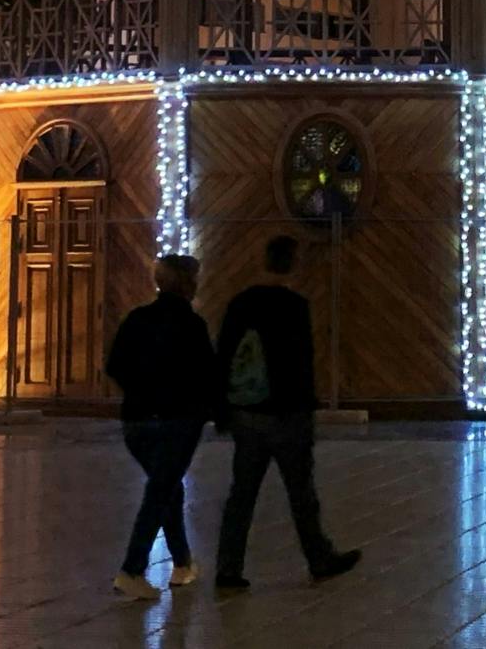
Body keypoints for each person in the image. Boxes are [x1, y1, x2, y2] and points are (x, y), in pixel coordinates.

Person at [213, 235, 361, 590]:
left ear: (263, 258)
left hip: (248, 412)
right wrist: (306, 405)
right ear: (294, 263)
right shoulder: (295, 306)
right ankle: (319, 557)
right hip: (287, 413)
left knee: (242, 493)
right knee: (300, 492)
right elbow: (300, 362)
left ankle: (228, 568)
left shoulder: (240, 303)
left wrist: (222, 409)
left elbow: (223, 356)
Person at [105, 254, 217, 601]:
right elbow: (206, 373)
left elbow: (115, 365)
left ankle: (182, 562)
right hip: (178, 421)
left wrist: (140, 393)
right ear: (188, 284)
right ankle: (132, 569)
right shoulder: (192, 325)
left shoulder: (137, 319)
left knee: (166, 487)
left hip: (137, 421)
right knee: (159, 492)